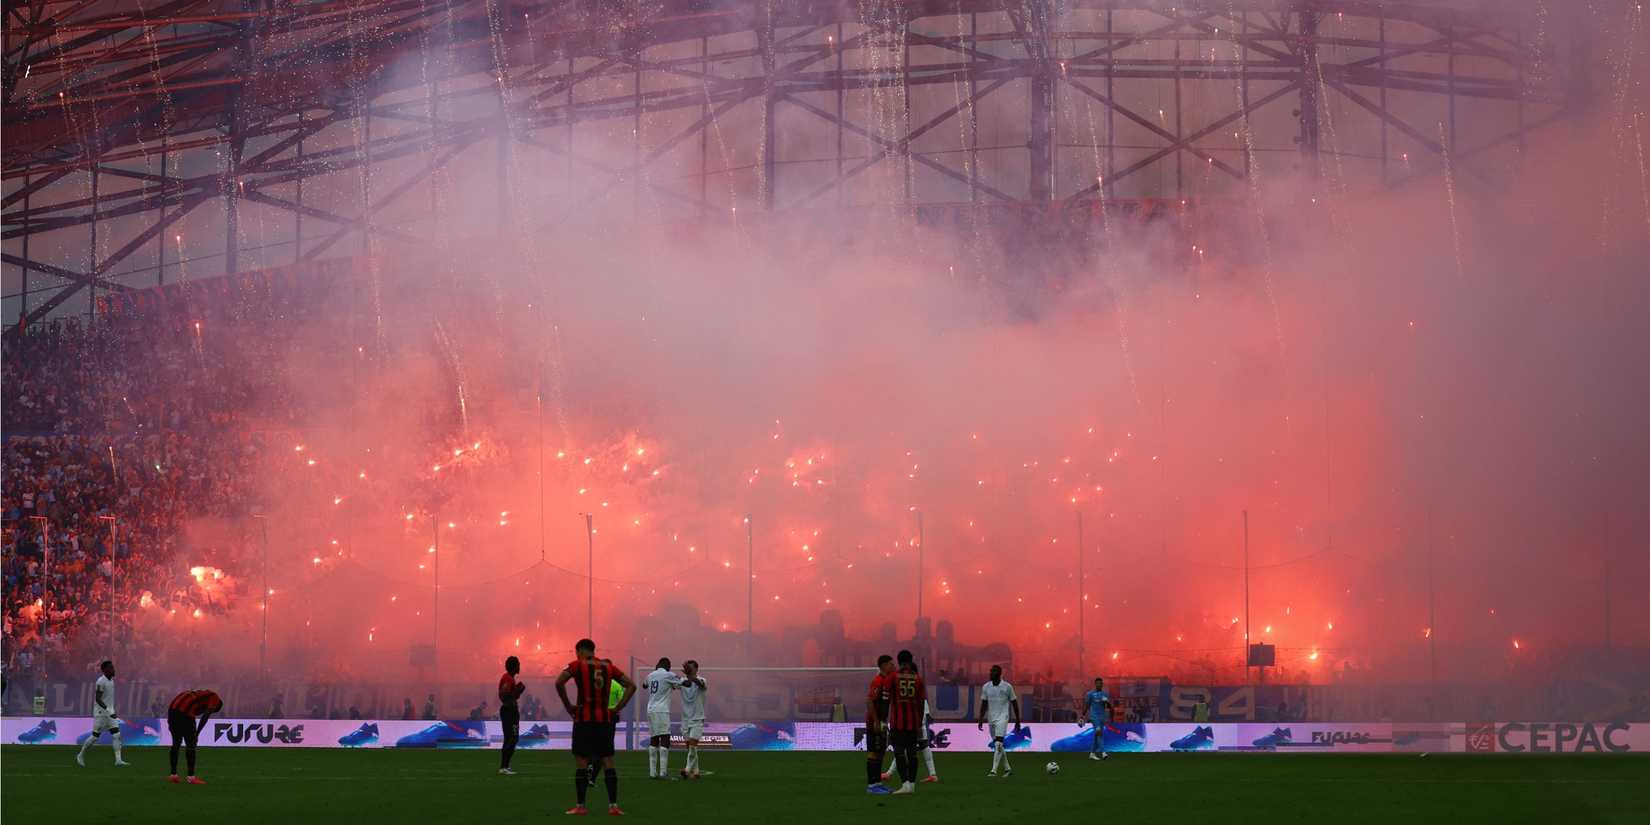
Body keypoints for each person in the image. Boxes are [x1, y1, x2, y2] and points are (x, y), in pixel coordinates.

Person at [555, 638, 635, 816]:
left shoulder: (577, 665)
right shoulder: (608, 667)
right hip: (604, 721)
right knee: (607, 760)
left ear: (580, 651)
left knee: (582, 761)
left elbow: (559, 682)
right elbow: (632, 685)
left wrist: (568, 705)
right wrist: (617, 708)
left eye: (577, 653)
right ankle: (613, 806)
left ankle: (581, 806)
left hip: (584, 719)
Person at [885, 650, 928, 795]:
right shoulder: (918, 678)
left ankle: (904, 784)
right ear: (911, 660)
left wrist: (884, 720)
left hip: (897, 722)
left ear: (898, 661)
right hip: (913, 722)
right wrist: (919, 723)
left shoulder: (893, 677)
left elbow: (886, 699)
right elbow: (921, 703)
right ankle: (912, 784)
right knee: (912, 754)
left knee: (899, 752)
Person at [77, 660, 128, 767]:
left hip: (110, 712)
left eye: (113, 667)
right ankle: (81, 754)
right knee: (95, 737)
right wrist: (109, 710)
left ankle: (118, 760)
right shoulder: (100, 681)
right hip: (100, 713)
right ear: (105, 670)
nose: (113, 670)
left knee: (116, 735)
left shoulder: (111, 680)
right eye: (111, 668)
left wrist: (111, 710)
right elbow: (98, 699)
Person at [166, 688, 223, 784]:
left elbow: (196, 708)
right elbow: (205, 716)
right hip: (184, 712)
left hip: (172, 710)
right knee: (191, 745)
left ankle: (173, 775)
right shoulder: (215, 698)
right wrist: (197, 733)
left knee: (176, 743)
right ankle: (191, 777)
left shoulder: (201, 695)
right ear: (216, 706)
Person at [977, 665, 1020, 777]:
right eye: (990, 671)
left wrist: (1018, 720)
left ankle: (993, 771)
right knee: (998, 745)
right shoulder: (986, 687)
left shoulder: (1007, 687)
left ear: (999, 674)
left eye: (993, 672)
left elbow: (1014, 703)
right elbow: (984, 703)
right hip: (991, 718)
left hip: (1003, 717)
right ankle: (1007, 769)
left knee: (998, 743)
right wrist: (981, 718)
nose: (990, 673)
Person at [642, 657, 682, 779]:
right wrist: (683, 678)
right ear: (668, 666)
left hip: (650, 709)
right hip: (661, 710)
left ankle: (652, 773)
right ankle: (663, 772)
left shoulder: (650, 675)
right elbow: (683, 684)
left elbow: (644, 685)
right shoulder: (669, 675)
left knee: (654, 738)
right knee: (665, 737)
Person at [863, 654, 895, 794]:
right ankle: (871, 785)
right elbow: (869, 701)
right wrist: (876, 721)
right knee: (873, 753)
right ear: (883, 665)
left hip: (882, 722)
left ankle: (878, 783)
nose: (892, 666)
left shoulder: (887, 681)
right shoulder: (878, 681)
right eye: (890, 664)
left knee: (881, 752)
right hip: (874, 723)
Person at [678, 660, 707, 779]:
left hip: (697, 718)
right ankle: (696, 772)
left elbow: (700, 684)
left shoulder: (702, 680)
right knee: (690, 748)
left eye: (690, 668)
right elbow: (676, 684)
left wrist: (692, 677)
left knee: (693, 746)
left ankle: (686, 769)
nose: (688, 670)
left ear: (696, 669)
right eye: (687, 668)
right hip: (685, 719)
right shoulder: (682, 681)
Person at [499, 656, 526, 775]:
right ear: (514, 666)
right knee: (512, 738)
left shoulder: (509, 679)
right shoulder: (507, 678)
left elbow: (509, 695)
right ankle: (504, 766)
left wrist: (516, 691)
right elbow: (505, 696)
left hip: (510, 711)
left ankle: (505, 766)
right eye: (518, 664)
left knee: (510, 738)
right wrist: (517, 691)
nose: (519, 667)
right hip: (509, 711)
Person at [1081, 677, 1113, 761]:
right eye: (1098, 683)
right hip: (1094, 716)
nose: (1099, 684)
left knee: (1097, 735)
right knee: (1099, 732)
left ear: (1102, 684)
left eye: (1101, 683)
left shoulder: (1105, 694)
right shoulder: (1090, 694)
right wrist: (1082, 716)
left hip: (1102, 717)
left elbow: (1109, 707)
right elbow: (1087, 705)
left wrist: (1107, 702)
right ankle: (1103, 752)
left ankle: (1092, 753)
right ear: (1095, 684)